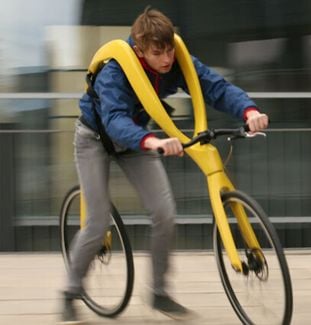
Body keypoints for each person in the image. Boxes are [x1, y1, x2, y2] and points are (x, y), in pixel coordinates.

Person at [60, 7, 269, 324]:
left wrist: (248, 111)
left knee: (164, 213)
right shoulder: (115, 71)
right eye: (158, 52)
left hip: (138, 140)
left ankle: (158, 292)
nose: (168, 58)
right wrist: (153, 142)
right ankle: (70, 291)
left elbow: (214, 86)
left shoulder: (175, 61)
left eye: (170, 48)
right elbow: (114, 120)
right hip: (95, 139)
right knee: (98, 221)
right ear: (140, 49)